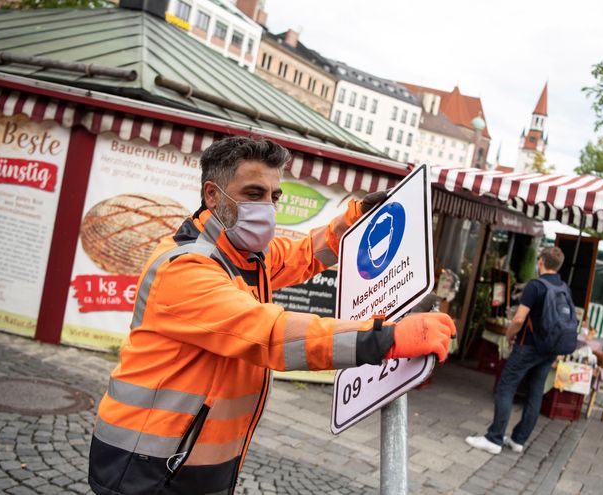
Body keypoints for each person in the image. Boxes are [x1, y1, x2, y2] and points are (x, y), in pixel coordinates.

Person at [87, 137, 455, 495]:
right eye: (253, 194)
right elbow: (271, 335)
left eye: (273, 196)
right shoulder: (185, 268)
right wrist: (387, 337)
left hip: (191, 460)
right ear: (212, 195)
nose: (267, 206)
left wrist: (351, 223)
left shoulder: (242, 256)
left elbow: (304, 254)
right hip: (145, 465)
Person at [465, 246, 570, 455]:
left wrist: (509, 334)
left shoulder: (536, 286)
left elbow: (520, 318)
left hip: (528, 346)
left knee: (506, 386)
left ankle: (494, 438)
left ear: (540, 262)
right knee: (535, 392)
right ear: (558, 266)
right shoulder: (564, 287)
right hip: (549, 348)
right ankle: (517, 440)